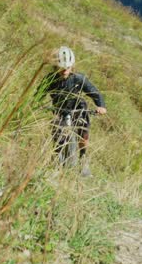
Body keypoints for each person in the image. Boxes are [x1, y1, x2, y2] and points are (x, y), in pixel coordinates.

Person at [43, 45, 106, 175]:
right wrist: (35, 103)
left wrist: (101, 106)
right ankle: (56, 161)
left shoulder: (78, 78)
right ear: (56, 66)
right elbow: (39, 93)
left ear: (72, 66)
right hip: (59, 109)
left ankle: (83, 157)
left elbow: (95, 92)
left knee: (83, 132)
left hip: (78, 108)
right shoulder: (50, 79)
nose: (65, 71)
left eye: (68, 67)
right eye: (62, 68)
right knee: (57, 134)